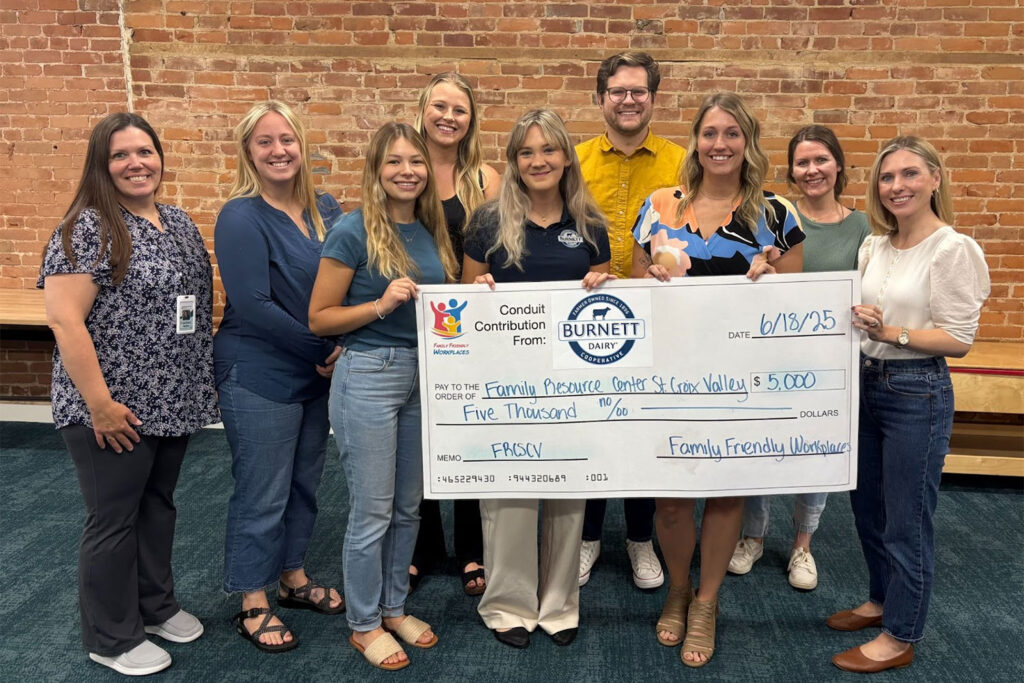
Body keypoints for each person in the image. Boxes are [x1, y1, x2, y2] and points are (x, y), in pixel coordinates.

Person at [39, 112, 218, 676]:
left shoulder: (178, 222)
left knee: (157, 506)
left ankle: (155, 605)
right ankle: (111, 636)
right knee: (112, 518)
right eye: (121, 155)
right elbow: (66, 322)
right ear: (102, 164)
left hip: (172, 396)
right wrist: (99, 404)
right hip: (110, 404)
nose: (136, 163)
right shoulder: (86, 228)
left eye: (145, 151)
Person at [632, 92, 805, 667]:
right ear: (696, 141)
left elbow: (795, 311)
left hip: (742, 380)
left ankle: (707, 601)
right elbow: (637, 298)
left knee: (727, 493)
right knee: (674, 500)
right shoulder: (660, 206)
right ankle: (678, 589)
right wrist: (652, 276)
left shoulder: (777, 215)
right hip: (669, 376)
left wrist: (771, 277)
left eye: (732, 133)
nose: (720, 144)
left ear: (748, 142)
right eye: (709, 132)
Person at [831, 136, 990, 673]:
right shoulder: (875, 245)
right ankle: (880, 601)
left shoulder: (952, 248)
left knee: (906, 518)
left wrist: (893, 332)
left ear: (934, 180)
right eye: (886, 177)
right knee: (868, 509)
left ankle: (901, 634)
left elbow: (958, 339)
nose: (896, 186)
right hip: (867, 383)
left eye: (909, 174)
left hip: (916, 390)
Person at [308, 123, 458, 671]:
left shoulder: (428, 227)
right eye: (394, 162)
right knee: (371, 511)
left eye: (415, 161)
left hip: (425, 375)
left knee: (407, 507)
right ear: (375, 169)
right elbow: (320, 318)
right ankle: (364, 623)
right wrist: (380, 306)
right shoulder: (352, 231)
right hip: (369, 374)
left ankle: (394, 608)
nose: (407, 171)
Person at [463, 109, 612, 650]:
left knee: (570, 497)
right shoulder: (486, 221)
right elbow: (463, 301)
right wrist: (476, 291)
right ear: (514, 160)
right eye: (526, 152)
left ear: (566, 156)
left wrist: (604, 282)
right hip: (504, 384)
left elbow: (610, 303)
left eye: (548, 150)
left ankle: (559, 603)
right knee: (508, 498)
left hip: (573, 384)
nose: (538, 161)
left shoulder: (590, 224)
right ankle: (506, 604)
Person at [214, 101, 345, 654]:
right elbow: (254, 303)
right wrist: (324, 346)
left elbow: (350, 278)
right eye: (264, 141)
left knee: (303, 484)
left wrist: (341, 342)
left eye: (286, 139)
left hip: (316, 371)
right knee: (263, 490)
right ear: (249, 151)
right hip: (259, 370)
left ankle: (292, 576)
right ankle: (252, 599)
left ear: (302, 144)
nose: (278, 150)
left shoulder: (325, 206)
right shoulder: (240, 215)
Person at [728, 125, 871, 590]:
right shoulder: (769, 216)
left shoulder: (863, 227)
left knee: (816, 455)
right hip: (768, 357)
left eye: (821, 160)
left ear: (838, 166)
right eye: (802, 162)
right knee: (759, 450)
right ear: (790, 170)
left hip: (830, 363)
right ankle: (753, 536)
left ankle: (802, 545)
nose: (812, 170)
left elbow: (873, 288)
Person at [575, 51, 685, 591]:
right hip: (587, 317)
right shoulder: (573, 161)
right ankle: (589, 536)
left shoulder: (681, 163)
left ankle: (640, 539)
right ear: (601, 99)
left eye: (638, 91)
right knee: (595, 426)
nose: (627, 100)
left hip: (657, 316)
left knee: (645, 428)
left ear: (653, 99)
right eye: (617, 91)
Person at [410, 72, 500, 596]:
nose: (448, 117)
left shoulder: (486, 178)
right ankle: (423, 547)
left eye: (459, 110)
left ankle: (472, 549)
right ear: (423, 110)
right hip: (411, 317)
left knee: (469, 429)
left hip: (468, 325)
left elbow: (500, 245)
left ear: (471, 120)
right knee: (417, 435)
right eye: (439, 106)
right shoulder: (402, 168)